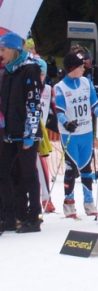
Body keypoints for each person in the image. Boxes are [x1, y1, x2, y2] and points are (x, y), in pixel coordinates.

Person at [0, 32, 44, 233]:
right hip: (10, 130)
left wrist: (29, 133)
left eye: (3, 49)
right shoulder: (9, 71)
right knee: (4, 172)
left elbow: (34, 103)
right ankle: (9, 216)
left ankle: (33, 217)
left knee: (29, 174)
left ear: (14, 50)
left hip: (27, 131)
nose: (1, 54)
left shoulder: (30, 70)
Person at [54, 52, 98, 219]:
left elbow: (94, 104)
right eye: (81, 66)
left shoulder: (86, 83)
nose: (84, 69)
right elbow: (59, 111)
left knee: (87, 168)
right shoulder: (60, 87)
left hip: (86, 132)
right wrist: (66, 122)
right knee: (71, 168)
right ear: (71, 68)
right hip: (70, 134)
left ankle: (88, 202)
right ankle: (69, 201)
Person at [37, 58, 57, 213]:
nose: (39, 77)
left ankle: (46, 198)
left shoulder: (49, 90)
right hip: (29, 130)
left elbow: (54, 111)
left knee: (43, 165)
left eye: (42, 74)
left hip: (42, 134)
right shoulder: (26, 87)